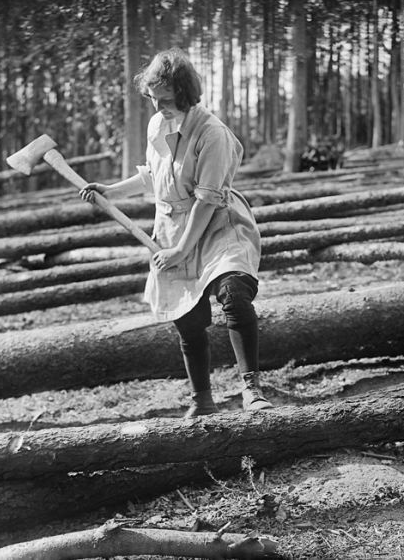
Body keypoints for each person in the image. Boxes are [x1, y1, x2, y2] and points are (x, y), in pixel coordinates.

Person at [80, 48, 274, 419]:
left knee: (233, 293)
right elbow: (155, 176)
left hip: (217, 223)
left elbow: (205, 200)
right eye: (153, 99)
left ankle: (252, 389)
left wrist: (183, 250)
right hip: (172, 227)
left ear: (185, 93)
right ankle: (202, 400)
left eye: (166, 100)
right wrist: (111, 191)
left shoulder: (212, 133)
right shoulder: (158, 126)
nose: (158, 108)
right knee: (186, 314)